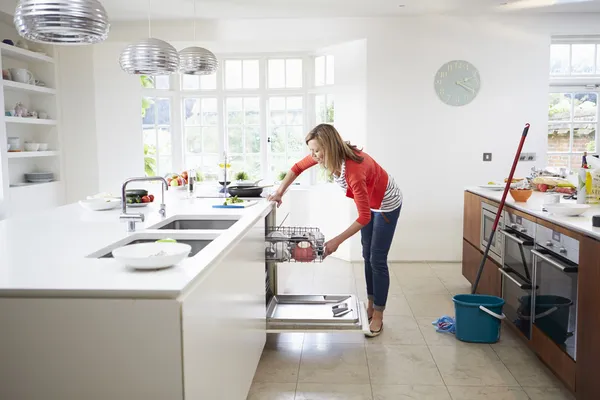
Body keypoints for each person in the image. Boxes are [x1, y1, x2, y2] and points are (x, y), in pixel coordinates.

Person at [268, 124, 403, 337]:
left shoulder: (354, 171)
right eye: (311, 151)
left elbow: (364, 217)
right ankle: (370, 304)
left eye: (317, 151)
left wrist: (336, 241)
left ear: (329, 147)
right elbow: (297, 168)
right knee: (366, 255)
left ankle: (378, 314)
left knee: (377, 259)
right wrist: (279, 192)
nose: (313, 156)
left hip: (387, 204)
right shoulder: (327, 156)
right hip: (370, 203)